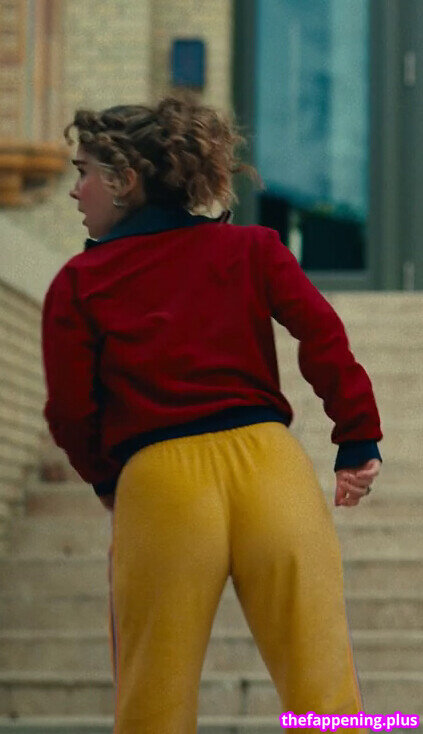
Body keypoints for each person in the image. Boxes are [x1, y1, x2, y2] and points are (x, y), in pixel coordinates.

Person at [42, 95, 382, 734]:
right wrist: (357, 436)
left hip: (161, 481)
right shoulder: (253, 248)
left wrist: (109, 477)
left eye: (83, 172)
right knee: (326, 698)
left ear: (125, 180)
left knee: (154, 703)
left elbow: (69, 409)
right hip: (273, 469)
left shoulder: (80, 282)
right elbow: (322, 333)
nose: (74, 190)